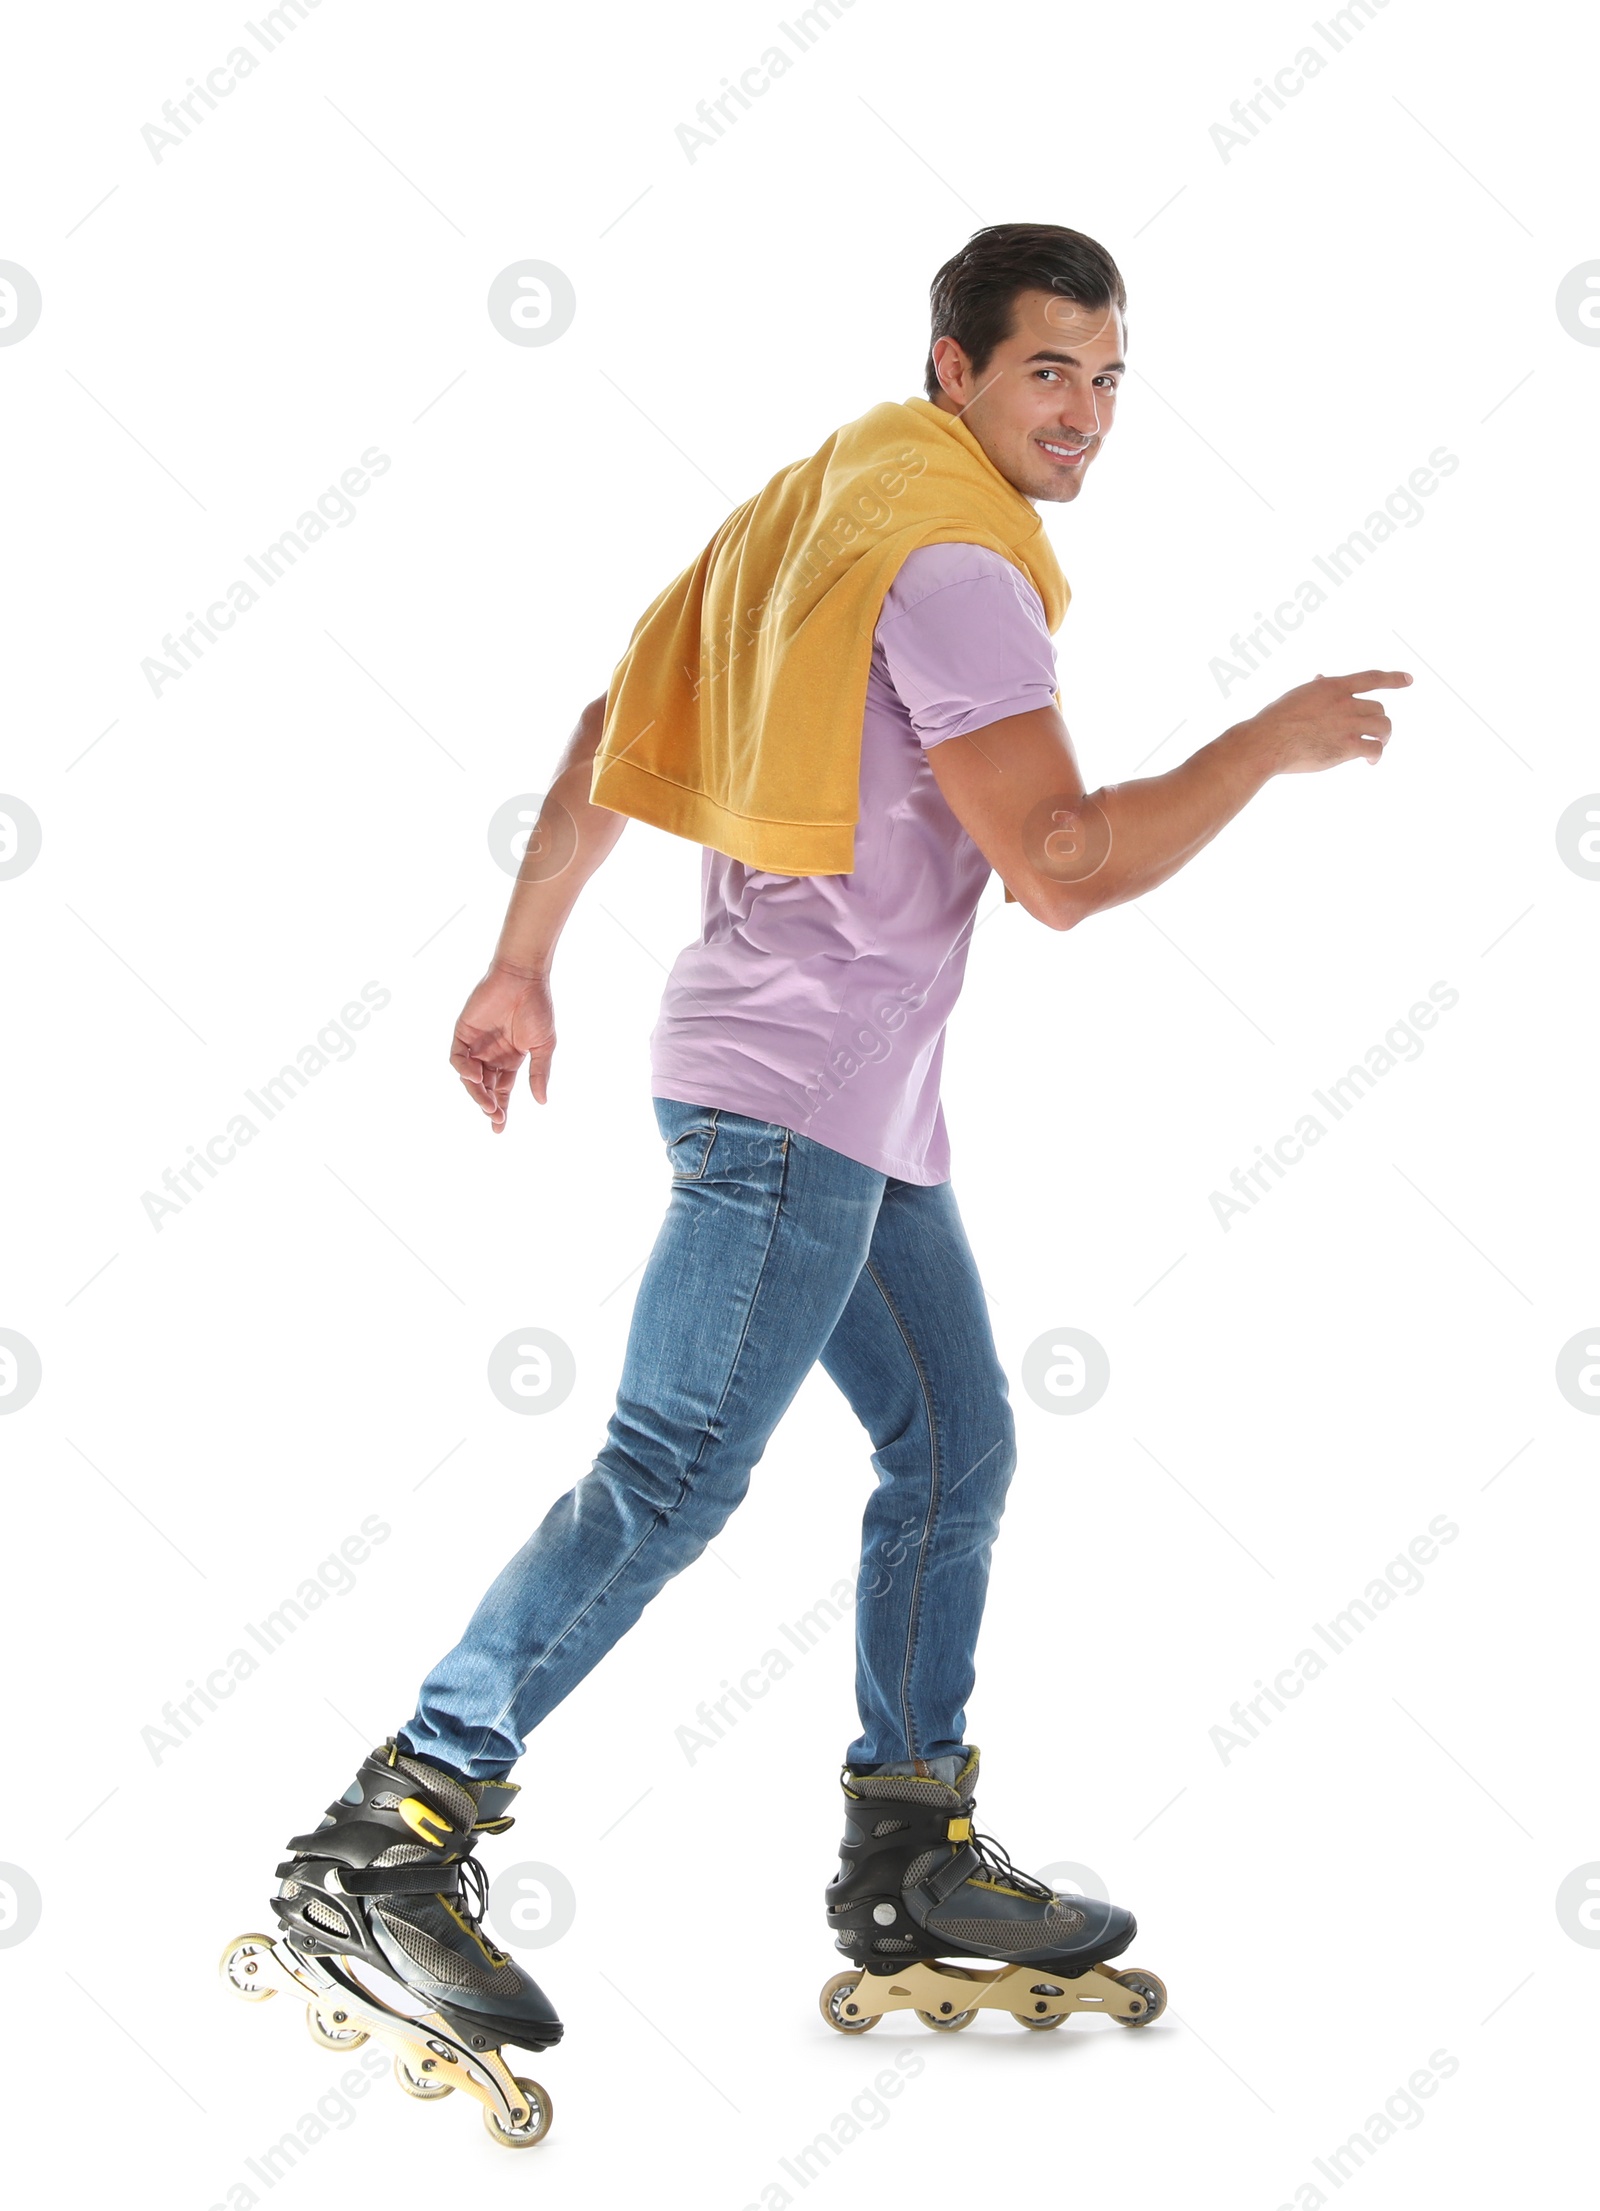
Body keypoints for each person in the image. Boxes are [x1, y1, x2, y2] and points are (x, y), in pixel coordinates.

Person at [262, 222, 1410, 2092]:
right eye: (1050, 370)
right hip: (794, 1106)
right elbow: (1062, 869)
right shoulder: (948, 559)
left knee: (954, 1441)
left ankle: (909, 1853)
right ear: (952, 365)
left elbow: (604, 724)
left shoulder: (820, 507)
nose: (1088, 415)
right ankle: (392, 1837)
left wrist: (523, 956)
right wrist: (1265, 746)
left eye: (1112, 379)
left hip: (840, 1109)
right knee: (672, 1472)